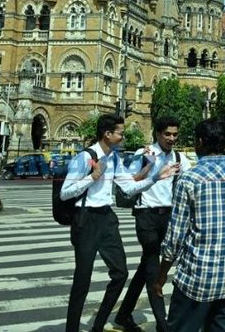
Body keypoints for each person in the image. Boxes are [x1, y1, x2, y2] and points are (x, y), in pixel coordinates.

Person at [156, 117, 225, 332]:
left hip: (196, 280)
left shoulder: (189, 179)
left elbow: (175, 237)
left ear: (200, 142)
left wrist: (161, 276)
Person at [60, 112, 159, 332]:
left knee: (120, 273)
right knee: (82, 282)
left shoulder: (113, 157)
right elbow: (65, 193)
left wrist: (153, 174)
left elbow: (128, 186)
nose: (122, 137)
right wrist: (92, 177)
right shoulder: (85, 157)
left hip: (106, 219)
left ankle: (97, 326)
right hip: (85, 219)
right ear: (107, 134)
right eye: (120, 133)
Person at [112, 116, 183, 332]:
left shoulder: (179, 157)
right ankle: (164, 325)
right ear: (157, 134)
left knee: (145, 268)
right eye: (167, 134)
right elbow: (130, 183)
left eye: (175, 134)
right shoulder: (143, 154)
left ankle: (123, 315)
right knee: (153, 269)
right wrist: (149, 167)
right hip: (146, 217)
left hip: (168, 216)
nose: (171, 138)